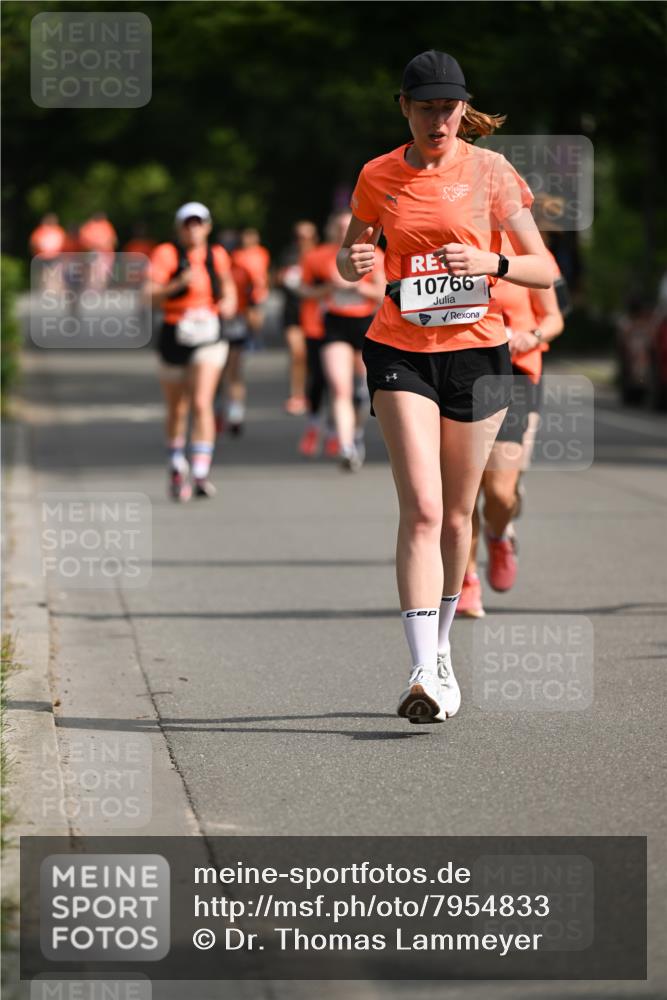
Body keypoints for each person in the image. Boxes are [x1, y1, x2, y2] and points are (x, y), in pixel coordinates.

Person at [337, 50, 553, 722]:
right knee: (424, 510)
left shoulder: (491, 172)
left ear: (464, 108)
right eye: (426, 107)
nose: (439, 120)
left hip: (477, 354)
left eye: (449, 108)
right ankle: (420, 670)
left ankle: (441, 648)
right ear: (403, 107)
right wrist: (355, 258)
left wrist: (490, 261)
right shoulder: (377, 174)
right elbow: (349, 257)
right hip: (400, 349)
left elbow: (544, 269)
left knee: (459, 516)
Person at [457, 233, 564, 618]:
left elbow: (554, 318)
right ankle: (467, 580)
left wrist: (530, 337)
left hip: (514, 374)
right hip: (459, 371)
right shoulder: (452, 243)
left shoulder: (529, 251)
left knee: (501, 494)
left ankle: (498, 534)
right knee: (464, 492)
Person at [146, 202, 237, 501]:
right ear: (179, 228)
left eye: (198, 223)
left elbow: (228, 286)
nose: (193, 229)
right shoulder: (166, 254)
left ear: (207, 227)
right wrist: (176, 285)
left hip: (209, 333)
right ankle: (176, 462)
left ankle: (200, 471)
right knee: (177, 407)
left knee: (201, 402)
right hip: (175, 332)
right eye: (187, 224)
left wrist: (228, 303)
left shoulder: (217, 255)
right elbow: (148, 296)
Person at [303, 211, 385, 471]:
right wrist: (329, 289)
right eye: (339, 227)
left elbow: (384, 293)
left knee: (362, 392)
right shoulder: (318, 256)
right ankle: (346, 446)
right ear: (331, 230)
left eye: (348, 226)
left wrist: (358, 288)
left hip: (365, 324)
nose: (343, 231)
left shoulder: (374, 255)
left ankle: (356, 433)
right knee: (340, 388)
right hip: (334, 324)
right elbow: (305, 290)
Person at [277, 220, 319, 415]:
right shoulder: (289, 256)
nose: (303, 240)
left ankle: (314, 392)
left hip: (316, 315)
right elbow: (276, 281)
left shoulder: (321, 255)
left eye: (307, 237)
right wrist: (283, 278)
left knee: (313, 358)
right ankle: (296, 395)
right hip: (293, 313)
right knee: (297, 353)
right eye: (299, 237)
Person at [79, 211, 117, 290]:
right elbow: (84, 240)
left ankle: (99, 289)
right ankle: (91, 289)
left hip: (106, 253)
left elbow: (113, 239)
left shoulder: (106, 225)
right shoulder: (90, 226)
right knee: (93, 272)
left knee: (103, 273)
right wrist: (98, 245)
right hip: (95, 252)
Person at [29, 213, 66, 292]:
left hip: (55, 256)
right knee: (47, 274)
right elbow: (34, 243)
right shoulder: (41, 231)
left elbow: (64, 243)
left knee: (55, 274)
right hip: (44, 256)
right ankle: (48, 290)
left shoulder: (58, 230)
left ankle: (55, 290)